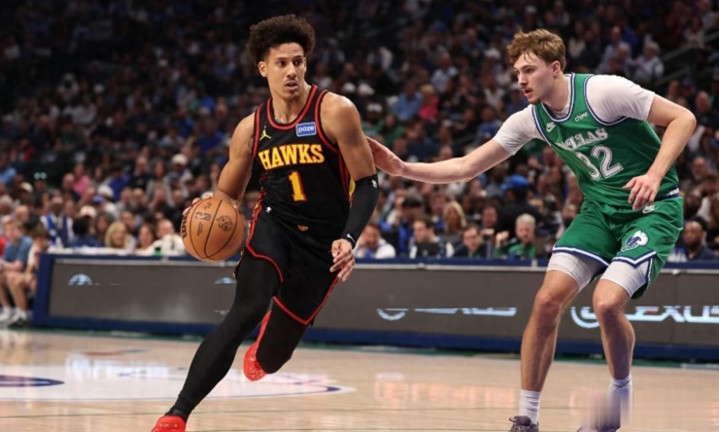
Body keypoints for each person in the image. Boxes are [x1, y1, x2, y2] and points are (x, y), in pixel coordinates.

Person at [369, 29, 696, 432]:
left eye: (529, 70)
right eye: (516, 72)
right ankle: (527, 419)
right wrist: (403, 168)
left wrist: (654, 174)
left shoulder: (603, 92)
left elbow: (683, 118)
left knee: (606, 304)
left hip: (651, 207)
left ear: (555, 68)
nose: (520, 80)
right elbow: (467, 166)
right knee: (545, 302)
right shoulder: (531, 118)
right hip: (599, 212)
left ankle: (618, 399)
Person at [151, 15, 378, 432]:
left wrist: (349, 238)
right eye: (281, 63)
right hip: (275, 226)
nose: (291, 71)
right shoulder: (250, 129)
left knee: (270, 361)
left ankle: (271, 340)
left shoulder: (336, 111)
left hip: (324, 244)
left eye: (298, 61)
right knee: (246, 309)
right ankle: (177, 414)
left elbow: (367, 183)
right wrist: (205, 210)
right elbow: (227, 196)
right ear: (263, 68)